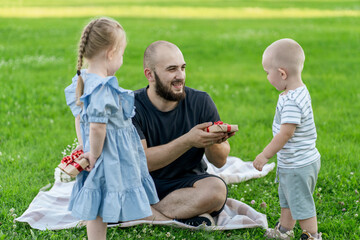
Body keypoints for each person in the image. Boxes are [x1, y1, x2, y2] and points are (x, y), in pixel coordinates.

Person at [64, 18, 168, 240]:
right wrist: (94, 153)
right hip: (107, 154)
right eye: (121, 54)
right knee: (107, 195)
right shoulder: (103, 88)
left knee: (98, 200)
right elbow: (97, 126)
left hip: (96, 150)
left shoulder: (82, 80)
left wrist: (84, 145)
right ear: (111, 53)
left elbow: (79, 117)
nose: (121, 59)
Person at [132, 40, 235, 226]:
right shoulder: (131, 106)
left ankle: (147, 215)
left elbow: (219, 161)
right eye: (172, 69)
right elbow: (142, 163)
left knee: (216, 189)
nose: (180, 76)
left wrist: (214, 141)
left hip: (188, 183)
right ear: (150, 75)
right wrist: (188, 140)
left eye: (183, 68)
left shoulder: (201, 101)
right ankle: (179, 219)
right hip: (145, 185)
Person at [253, 38, 322, 240]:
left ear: (282, 73)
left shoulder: (292, 101)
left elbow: (286, 133)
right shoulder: (298, 91)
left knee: (301, 203)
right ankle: (284, 230)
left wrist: (265, 155)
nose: (267, 77)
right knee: (288, 200)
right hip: (294, 162)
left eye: (267, 73)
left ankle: (312, 236)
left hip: (298, 164)